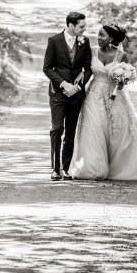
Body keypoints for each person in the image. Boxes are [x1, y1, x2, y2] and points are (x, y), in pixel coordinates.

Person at [67, 23, 137, 181]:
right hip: (94, 95)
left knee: (117, 132)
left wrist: (122, 81)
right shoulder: (92, 51)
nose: (99, 37)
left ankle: (120, 168)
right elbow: (85, 71)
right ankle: (93, 169)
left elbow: (125, 78)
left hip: (115, 96)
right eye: (99, 34)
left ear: (111, 38)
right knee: (93, 129)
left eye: (102, 35)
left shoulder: (121, 56)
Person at [42, 11, 93, 181]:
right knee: (57, 129)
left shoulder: (85, 43)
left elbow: (88, 68)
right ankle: (55, 169)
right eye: (81, 26)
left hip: (76, 95)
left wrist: (78, 87)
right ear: (71, 25)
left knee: (70, 131)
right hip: (58, 93)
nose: (84, 30)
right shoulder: (54, 41)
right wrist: (64, 84)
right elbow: (47, 68)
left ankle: (65, 168)